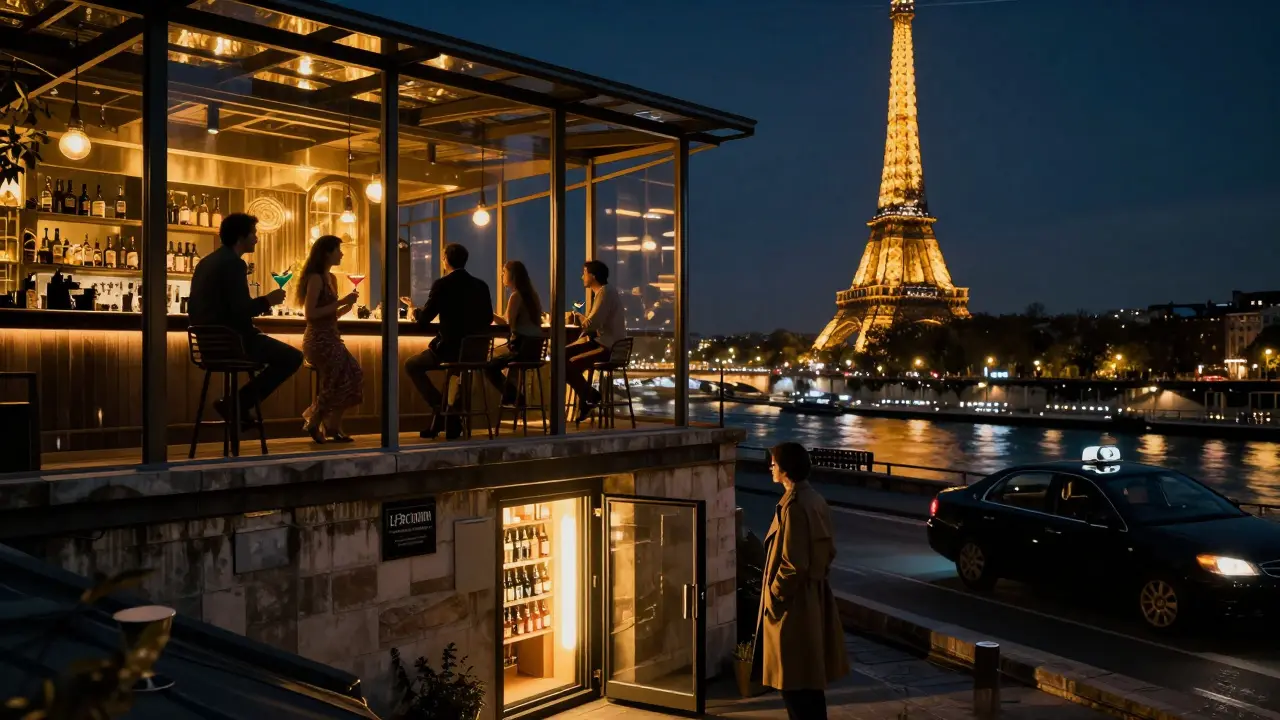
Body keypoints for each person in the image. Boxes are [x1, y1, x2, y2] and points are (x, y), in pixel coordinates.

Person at [751, 442, 849, 720]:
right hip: (811, 600)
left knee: (793, 686)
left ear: (785, 469)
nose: (771, 467)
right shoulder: (815, 500)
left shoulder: (793, 507)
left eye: (774, 462)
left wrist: (774, 595)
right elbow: (826, 551)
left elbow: (793, 564)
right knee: (809, 685)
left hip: (792, 610)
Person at [188, 213, 302, 427]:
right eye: (254, 234)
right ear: (241, 237)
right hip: (232, 343)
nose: (257, 238)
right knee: (293, 357)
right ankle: (237, 404)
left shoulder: (206, 262)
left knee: (277, 351)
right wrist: (268, 300)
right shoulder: (233, 264)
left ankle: (235, 405)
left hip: (207, 345)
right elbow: (241, 310)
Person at [404, 242, 493, 439]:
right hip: (477, 351)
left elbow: (424, 320)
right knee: (453, 375)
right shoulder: (481, 285)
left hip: (450, 350)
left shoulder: (442, 284)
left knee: (412, 365)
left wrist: (413, 311)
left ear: (445, 259)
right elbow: (488, 318)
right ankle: (446, 417)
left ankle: (446, 415)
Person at [295, 235, 362, 444]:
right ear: (326, 253)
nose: (341, 254)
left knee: (354, 374)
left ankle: (332, 424)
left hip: (332, 338)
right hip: (318, 340)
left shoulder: (331, 279)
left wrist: (344, 309)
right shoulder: (315, 278)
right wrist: (341, 301)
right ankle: (315, 420)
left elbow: (328, 314)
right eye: (338, 250)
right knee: (336, 378)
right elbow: (311, 314)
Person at [564, 260, 625, 422]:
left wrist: (578, 316)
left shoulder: (605, 292)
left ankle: (590, 397)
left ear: (592, 276)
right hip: (606, 343)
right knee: (562, 356)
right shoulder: (606, 292)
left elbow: (593, 323)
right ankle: (588, 397)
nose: (581, 276)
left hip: (608, 347)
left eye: (584, 273)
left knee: (566, 363)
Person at [486, 260, 544, 406]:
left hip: (522, 348)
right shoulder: (532, 295)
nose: (501, 275)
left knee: (489, 365)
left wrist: (489, 313)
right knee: (500, 361)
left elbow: (507, 324)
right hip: (534, 349)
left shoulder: (516, 296)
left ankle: (515, 397)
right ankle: (513, 395)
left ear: (512, 275)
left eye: (504, 272)